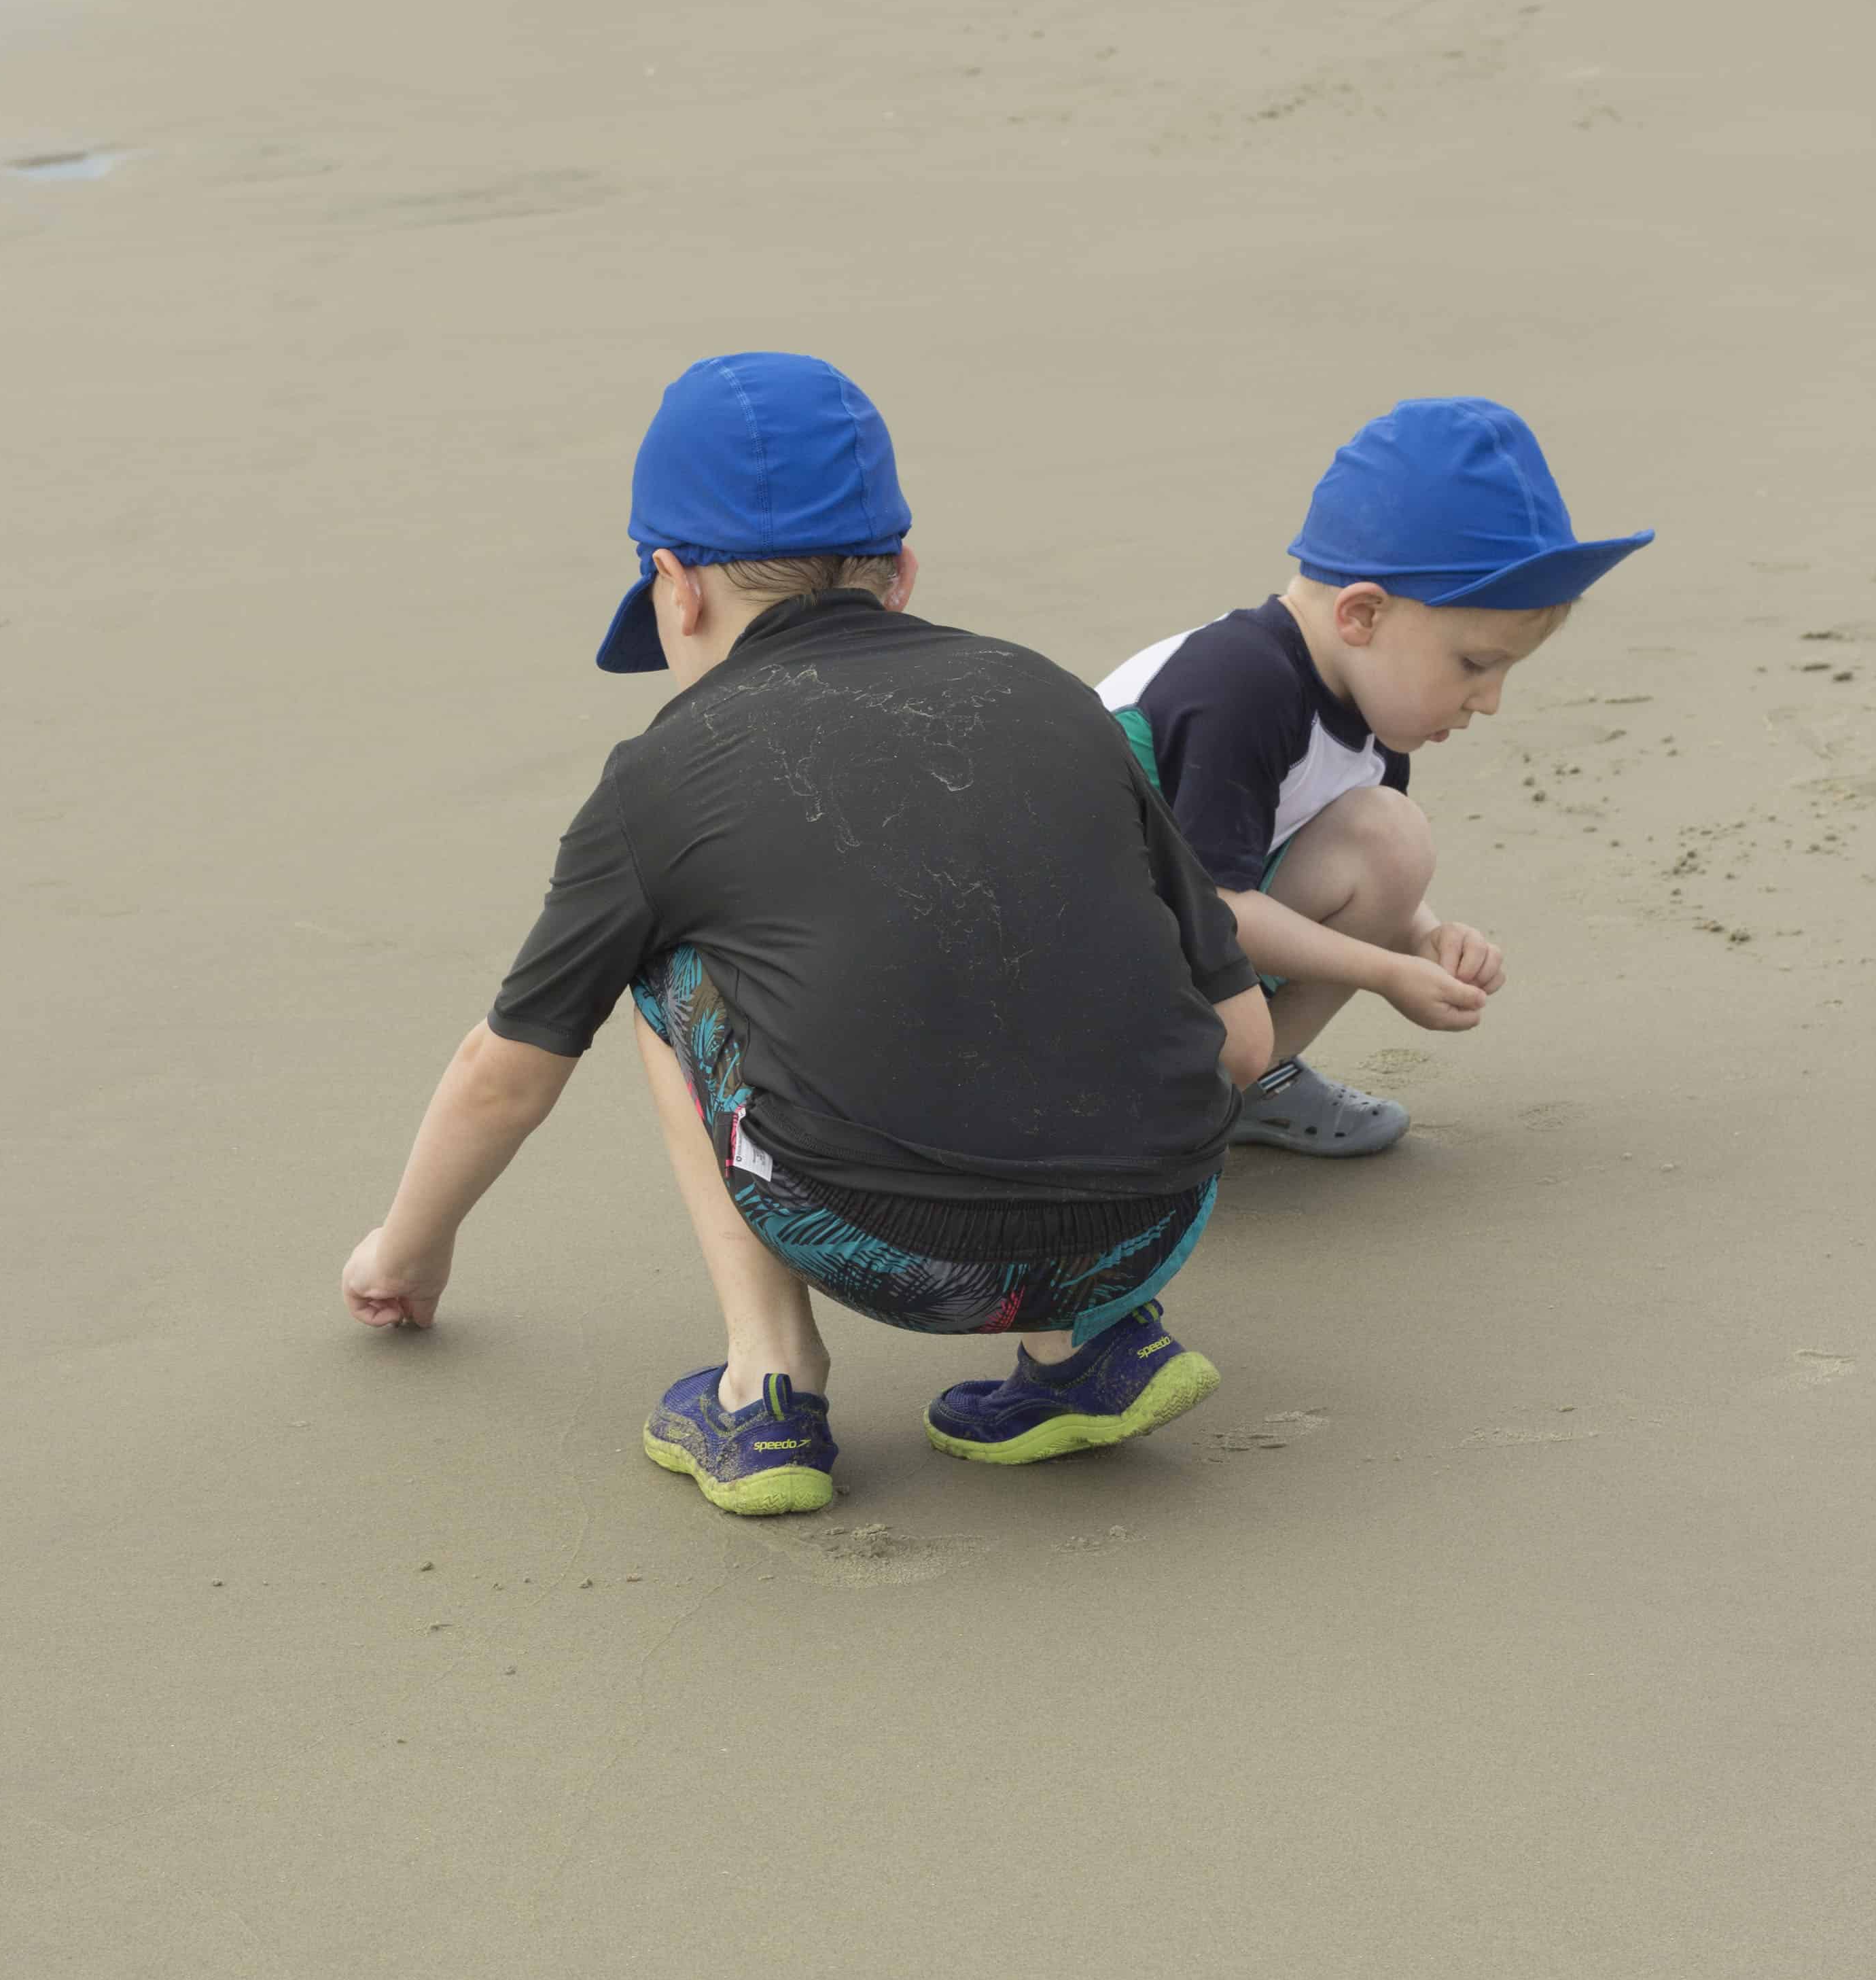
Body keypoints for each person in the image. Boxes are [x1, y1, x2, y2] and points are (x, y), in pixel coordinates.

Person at [342, 352, 1271, 1515]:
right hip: (1152, 1219)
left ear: (675, 589)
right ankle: (1088, 1346)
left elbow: (507, 1075)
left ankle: (767, 1383)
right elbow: (1241, 1038)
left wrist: (405, 1252)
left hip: (890, 1249)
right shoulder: (1055, 699)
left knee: (675, 958)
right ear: (901, 572)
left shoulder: (666, 772)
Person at [1095, 397, 1653, 1155]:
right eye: (1474, 664)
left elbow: (1301, 870)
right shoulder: (1238, 683)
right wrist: (1387, 971)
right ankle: (1148, 1117)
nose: (1488, 701)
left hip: (1159, 958)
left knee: (1389, 842)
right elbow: (1218, 906)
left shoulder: (1368, 704)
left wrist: (1426, 936)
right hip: (1060, 992)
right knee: (1390, 837)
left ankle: (1235, 1091)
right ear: (1363, 614)